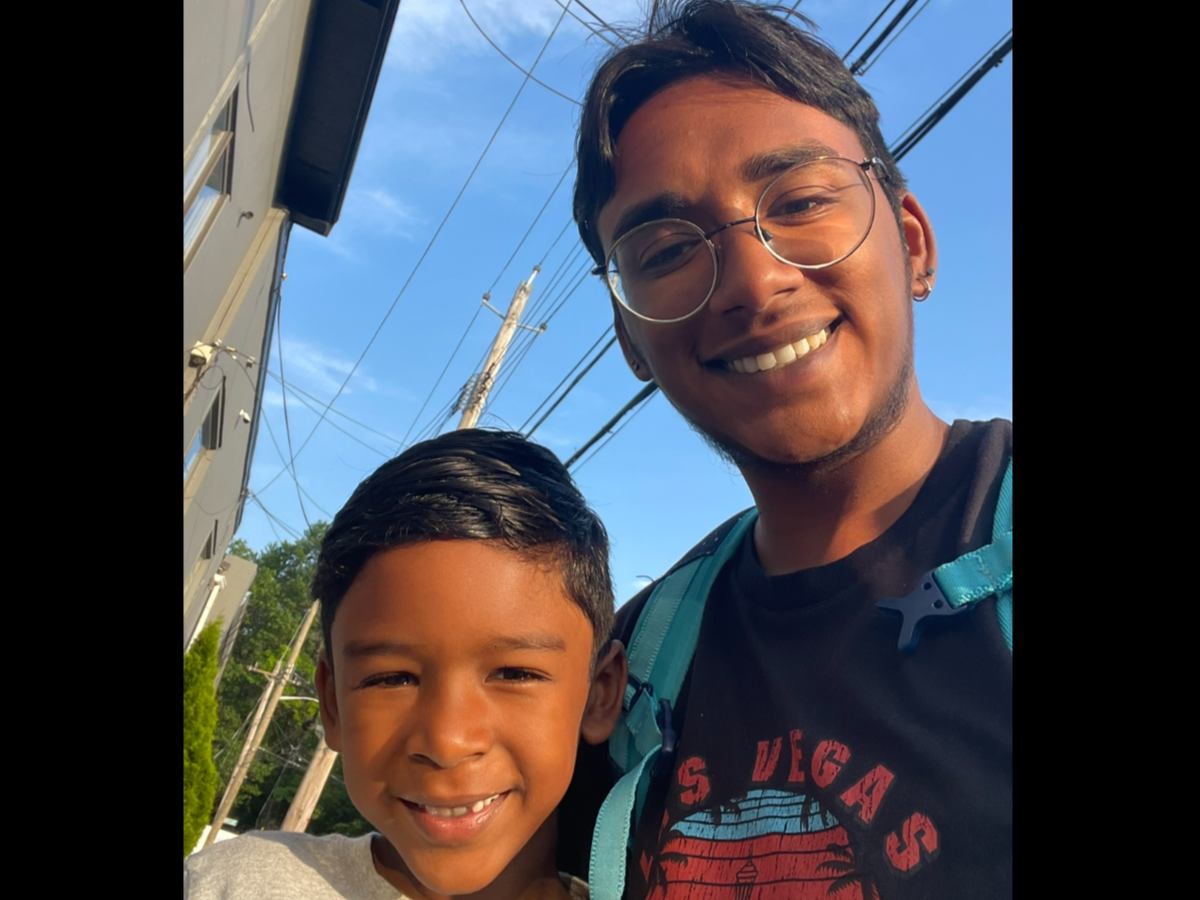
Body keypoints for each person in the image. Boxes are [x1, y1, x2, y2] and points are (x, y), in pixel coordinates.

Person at [561, 2, 1012, 897]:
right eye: (666, 250)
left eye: (801, 201)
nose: (755, 281)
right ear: (630, 342)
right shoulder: (634, 670)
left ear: (912, 244)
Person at [185, 430, 629, 900]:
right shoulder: (234, 885)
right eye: (392, 679)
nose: (447, 741)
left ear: (598, 694)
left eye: (514, 674)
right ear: (332, 704)